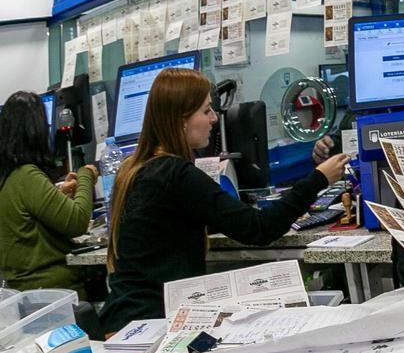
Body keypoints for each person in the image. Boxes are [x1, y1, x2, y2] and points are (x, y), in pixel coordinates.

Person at [100, 68, 348, 333]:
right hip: (152, 326)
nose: (213, 120)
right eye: (206, 111)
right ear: (181, 119)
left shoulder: (135, 169)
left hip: (123, 322)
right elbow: (260, 228)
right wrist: (319, 179)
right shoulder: (176, 174)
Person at [0, 92, 97, 295]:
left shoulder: (8, 175)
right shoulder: (26, 175)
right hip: (53, 292)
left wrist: (58, 194)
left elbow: (24, 217)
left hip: (25, 291)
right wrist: (86, 175)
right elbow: (77, 221)